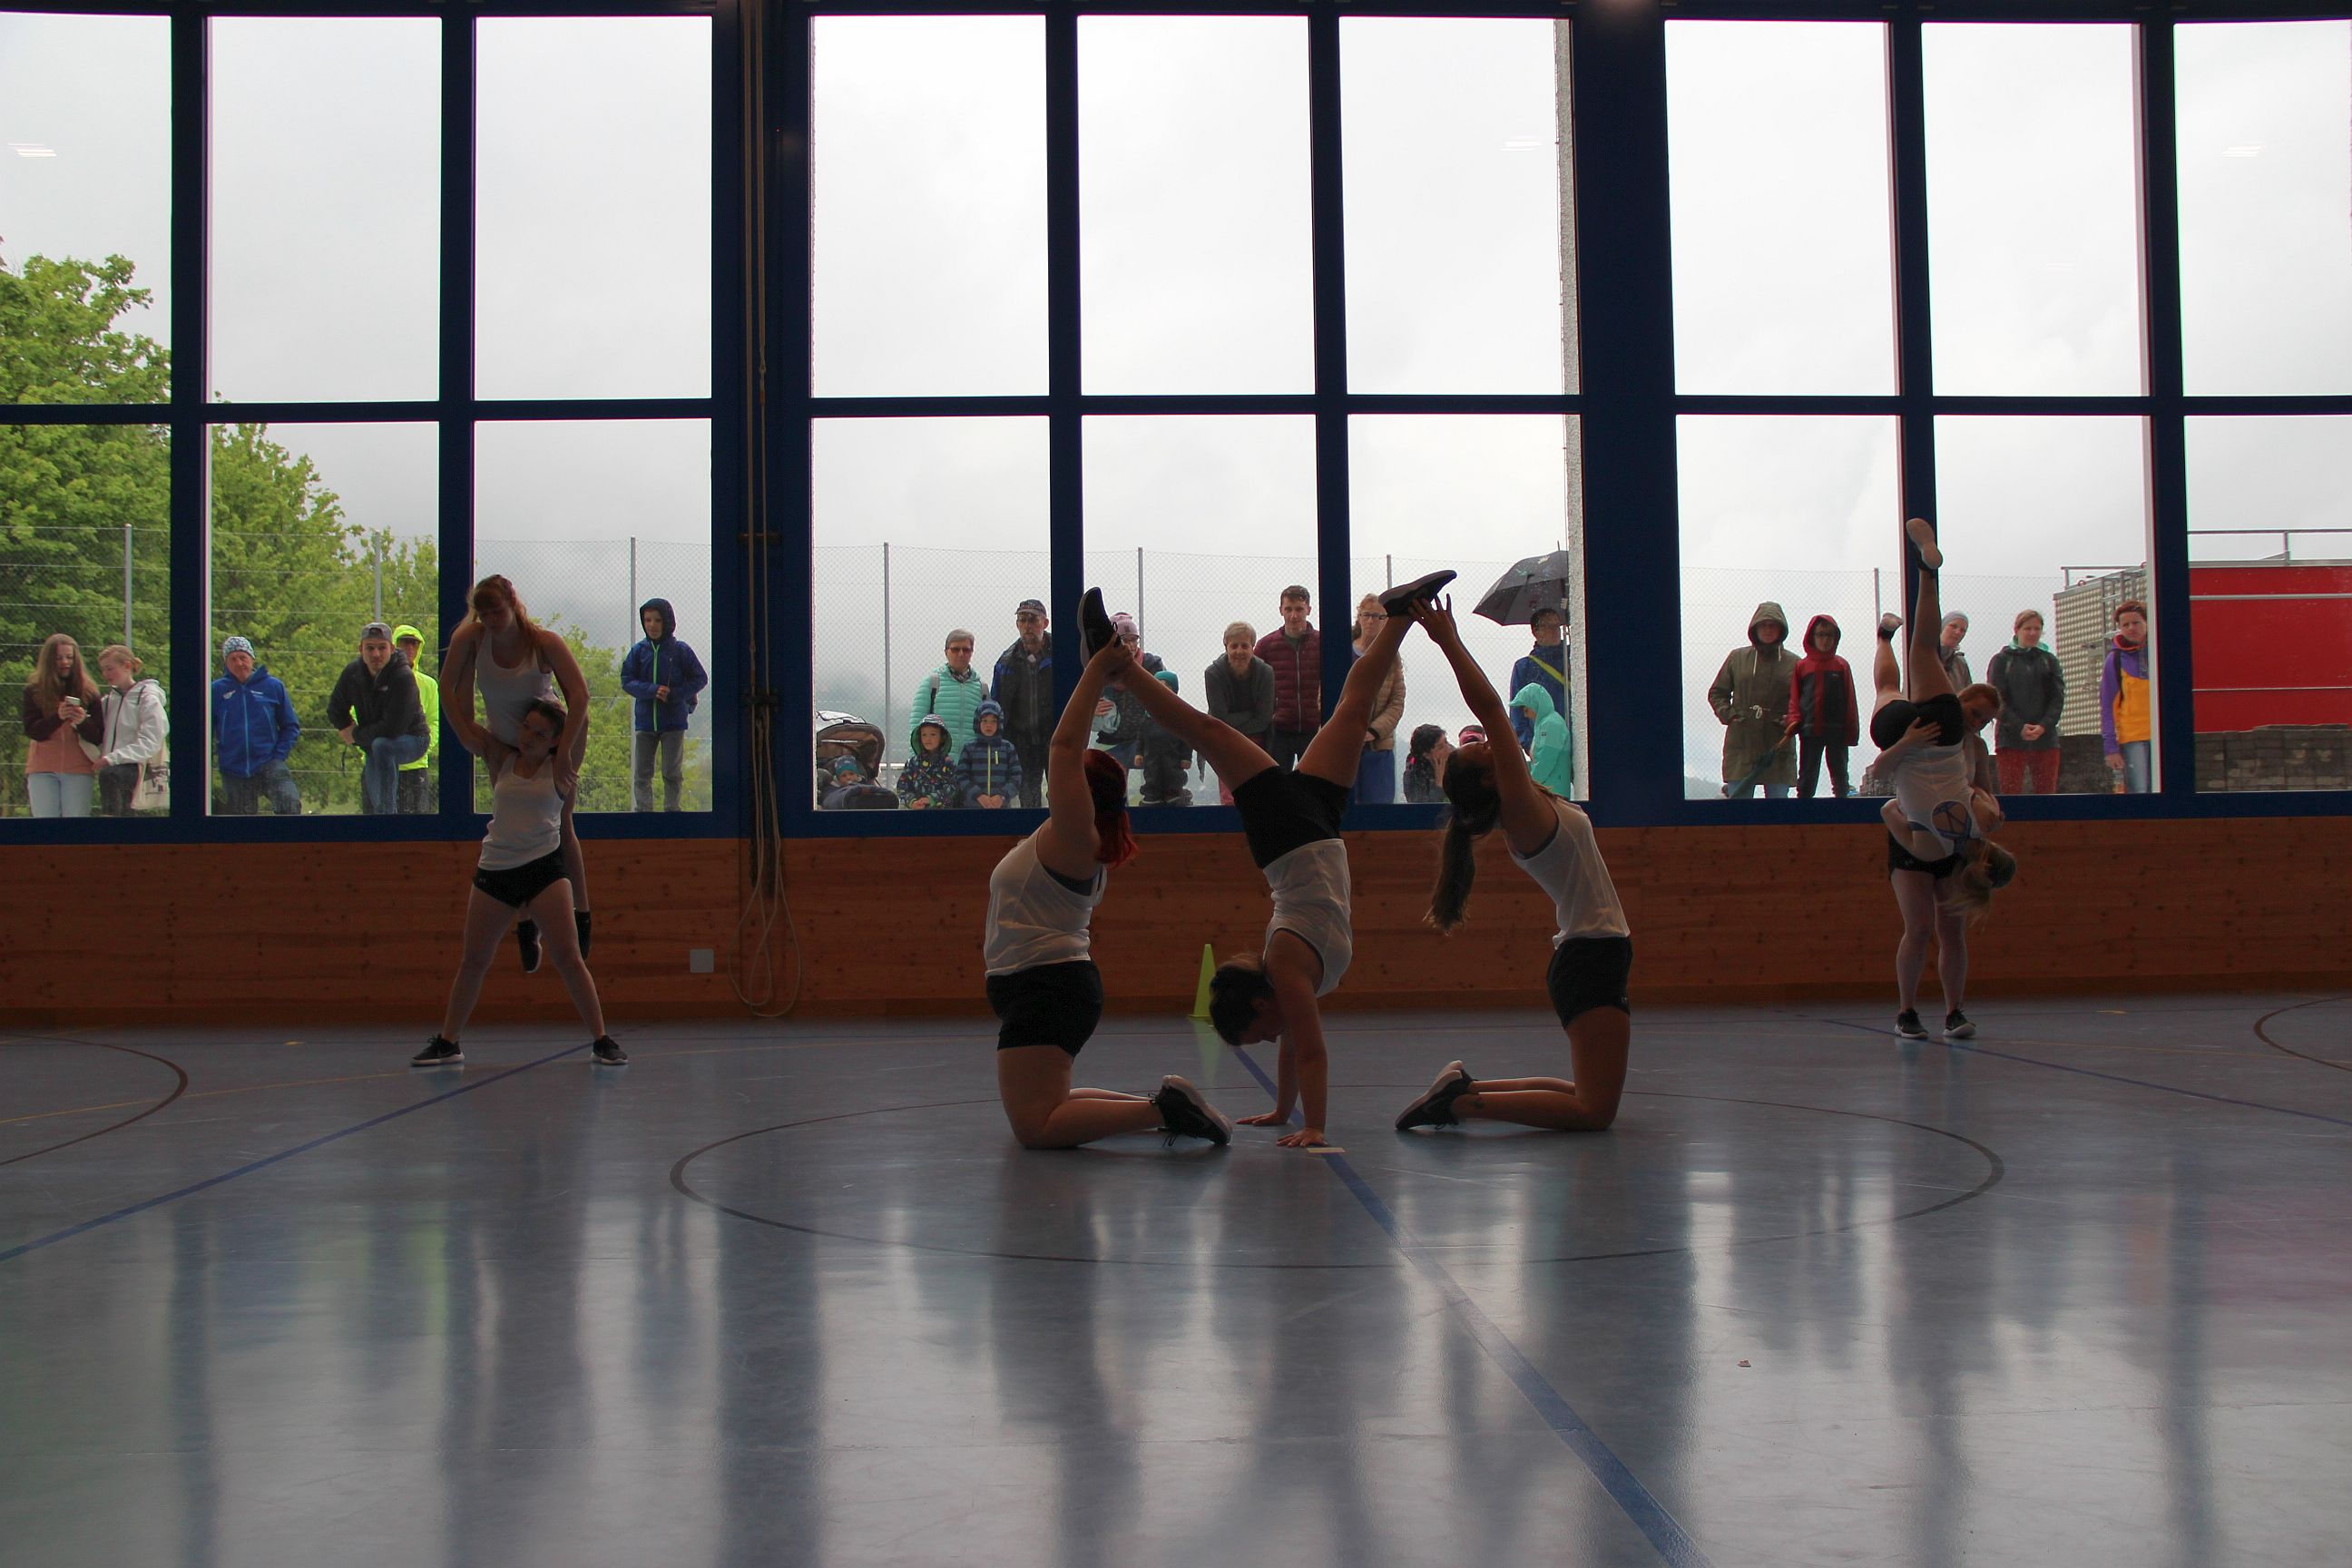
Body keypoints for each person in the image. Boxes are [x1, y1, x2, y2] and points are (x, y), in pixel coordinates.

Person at [1112, 571, 1451, 1150]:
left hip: (1288, 834)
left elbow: (1309, 1050)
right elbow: (1297, 1046)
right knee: (1353, 709)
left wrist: (1314, 1125)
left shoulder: (1287, 964)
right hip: (1318, 828)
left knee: (1207, 731)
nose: (1272, 1041)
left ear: (1262, 1002)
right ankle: (1399, 617)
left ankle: (1123, 669)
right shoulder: (1288, 988)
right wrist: (1283, 1111)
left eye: (1259, 1035)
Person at [1392, 595, 1632, 1134]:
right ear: (1488, 779)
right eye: (1481, 753)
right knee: (1593, 1112)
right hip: (1592, 957)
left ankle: (1463, 1091)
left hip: (1594, 953)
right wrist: (1448, 642)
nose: (1488, 745)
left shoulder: (1527, 806)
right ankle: (1459, 1106)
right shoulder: (1521, 811)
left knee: (1584, 1095)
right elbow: (1492, 711)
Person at [985, 634, 1231, 1150]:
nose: (1057, 781)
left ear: (1081, 794)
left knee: (1036, 1127)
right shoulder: (1073, 839)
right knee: (1049, 1104)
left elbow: (1063, 747)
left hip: (1046, 989)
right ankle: (1166, 1108)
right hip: (1046, 986)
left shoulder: (1076, 837)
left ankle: (1162, 1111)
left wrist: (1096, 670)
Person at [409, 695, 625, 1070]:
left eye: (540, 734)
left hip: (544, 870)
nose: (529, 737)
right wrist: (459, 679)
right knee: (474, 959)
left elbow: (583, 714)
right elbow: (466, 726)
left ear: (555, 741)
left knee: (569, 958)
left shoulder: (561, 768)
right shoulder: (502, 759)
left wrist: (553, 686)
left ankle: (602, 1040)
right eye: (526, 727)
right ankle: (448, 1042)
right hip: (496, 869)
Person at [1867, 518, 2016, 1043]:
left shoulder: (1984, 821)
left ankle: (1927, 577)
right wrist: (1902, 755)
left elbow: (1981, 798)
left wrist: (1912, 753)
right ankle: (1922, 1011)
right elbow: (1889, 806)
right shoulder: (1954, 834)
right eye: (1979, 714)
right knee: (1889, 687)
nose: (1983, 723)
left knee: (1922, 652)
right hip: (1914, 756)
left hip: (1932, 737)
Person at [442, 575, 593, 973]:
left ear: (513, 603)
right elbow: (447, 686)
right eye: (484, 614)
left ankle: (581, 912)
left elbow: (580, 696)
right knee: (513, 830)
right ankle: (526, 921)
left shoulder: (542, 642)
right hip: (506, 745)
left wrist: (564, 753)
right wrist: (465, 732)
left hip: (548, 740)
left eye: (497, 612)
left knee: (561, 823)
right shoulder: (472, 638)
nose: (492, 621)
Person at [328, 621, 429, 816]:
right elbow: (335, 708)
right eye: (370, 648)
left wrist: (356, 735)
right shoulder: (353, 673)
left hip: (414, 738)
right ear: (361, 649)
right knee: (375, 748)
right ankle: (379, 816)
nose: (376, 654)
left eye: (382, 648)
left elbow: (393, 728)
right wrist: (346, 728)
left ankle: (387, 816)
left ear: (391, 648)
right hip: (375, 740)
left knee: (381, 745)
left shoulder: (402, 676)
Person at [620, 597, 709, 813]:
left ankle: (672, 812)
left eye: (657, 620)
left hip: (673, 723)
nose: (652, 625)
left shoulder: (681, 651)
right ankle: (644, 813)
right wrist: (652, 690)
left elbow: (700, 678)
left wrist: (675, 694)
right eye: (647, 620)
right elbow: (627, 681)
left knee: (672, 772)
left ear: (667, 622)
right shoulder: (638, 651)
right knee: (642, 774)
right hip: (645, 723)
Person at [1708, 603, 1799, 798]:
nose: (1768, 629)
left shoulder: (1794, 663)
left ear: (1781, 629)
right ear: (1755, 628)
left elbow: (1803, 702)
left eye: (1773, 625)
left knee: (1778, 810)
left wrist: (1790, 720)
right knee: (1739, 808)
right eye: (1763, 625)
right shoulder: (1737, 658)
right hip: (1742, 742)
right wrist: (1730, 716)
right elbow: (1717, 692)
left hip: (1778, 744)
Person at [211, 635, 302, 815]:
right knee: (241, 821)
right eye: (233, 659)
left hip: (268, 761)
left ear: (252, 659)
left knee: (289, 803)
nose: (239, 663)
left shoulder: (273, 686)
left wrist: (279, 755)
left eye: (243, 657)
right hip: (233, 767)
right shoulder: (216, 690)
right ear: (226, 663)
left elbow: (290, 726)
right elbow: (206, 729)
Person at [22, 632, 104, 818]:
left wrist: (82, 722)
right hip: (42, 769)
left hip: (79, 769)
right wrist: (58, 717)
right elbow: (33, 731)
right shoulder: (33, 690)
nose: (65, 662)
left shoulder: (89, 691)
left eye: (69, 657)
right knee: (45, 823)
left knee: (75, 823)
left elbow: (98, 736)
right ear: (49, 660)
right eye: (58, 658)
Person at [1986, 610, 2065, 797]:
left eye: (2037, 629)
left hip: (2045, 738)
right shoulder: (2002, 660)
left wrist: (2044, 726)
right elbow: (1996, 699)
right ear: (2017, 630)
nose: (2032, 633)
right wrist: (2018, 726)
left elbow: (2057, 698)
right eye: (2028, 629)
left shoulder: (2049, 661)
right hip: (2010, 738)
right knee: (2011, 792)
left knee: (2046, 793)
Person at [1784, 614, 1859, 799]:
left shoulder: (1841, 665)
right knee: (1807, 776)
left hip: (1837, 730)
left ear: (1836, 637)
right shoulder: (1802, 666)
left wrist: (1852, 731)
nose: (1825, 640)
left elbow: (1850, 700)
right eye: (1820, 635)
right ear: (1812, 636)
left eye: (1829, 635)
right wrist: (1794, 720)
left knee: (1840, 775)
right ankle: (1803, 811)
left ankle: (1842, 810)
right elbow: (1795, 697)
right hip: (1810, 729)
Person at [89, 644, 170, 816]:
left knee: (110, 778)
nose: (105, 674)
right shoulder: (108, 701)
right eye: (103, 670)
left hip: (138, 765)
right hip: (114, 764)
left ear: (127, 666)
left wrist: (112, 758)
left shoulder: (147, 697)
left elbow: (152, 739)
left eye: (110, 669)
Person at [989, 599, 1054, 808]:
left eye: (1033, 620)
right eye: (1022, 620)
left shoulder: (1063, 654)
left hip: (1056, 739)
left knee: (1061, 795)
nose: (1027, 625)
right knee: (1028, 799)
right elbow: (996, 705)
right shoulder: (1006, 662)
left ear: (1045, 623)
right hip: (1022, 744)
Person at [1202, 621, 1274, 805]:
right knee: (1230, 799)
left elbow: (1264, 719)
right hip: (1225, 739)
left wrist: (1233, 720)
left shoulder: (1266, 673)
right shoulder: (1213, 673)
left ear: (1253, 647)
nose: (1239, 651)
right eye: (1234, 646)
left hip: (1257, 741)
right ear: (1226, 646)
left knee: (1259, 796)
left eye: (1245, 646)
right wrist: (1250, 714)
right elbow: (1220, 719)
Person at [1254, 585, 1322, 770]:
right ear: (1281, 610)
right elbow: (1254, 685)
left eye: (1299, 609)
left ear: (1309, 610)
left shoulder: (1322, 643)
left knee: (1314, 782)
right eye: (1288, 609)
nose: (1293, 616)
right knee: (1278, 784)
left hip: (1314, 729)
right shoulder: (1266, 646)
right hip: (1279, 731)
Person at [1348, 594, 1406, 804]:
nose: (1371, 621)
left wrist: (1373, 731)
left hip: (1378, 746)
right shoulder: (1342, 651)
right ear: (1359, 618)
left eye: (1378, 616)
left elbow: (1397, 702)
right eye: (1366, 615)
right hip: (1344, 742)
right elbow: (1324, 694)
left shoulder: (1392, 656)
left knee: (1378, 807)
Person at [1091, 612, 1165, 775]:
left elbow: (1167, 699)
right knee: (1108, 782)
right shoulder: (1099, 667)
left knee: (1161, 764)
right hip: (1110, 741)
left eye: (1134, 640)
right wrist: (1090, 710)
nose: (1130, 646)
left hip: (1144, 739)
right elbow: (1081, 701)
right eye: (1124, 640)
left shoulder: (1152, 665)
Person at [907, 628, 989, 759]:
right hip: (937, 765)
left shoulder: (982, 689)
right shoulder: (932, 683)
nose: (961, 654)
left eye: (966, 650)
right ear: (946, 652)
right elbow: (916, 726)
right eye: (955, 649)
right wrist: (916, 762)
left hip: (971, 765)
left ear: (972, 652)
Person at [2101, 599, 2152, 794]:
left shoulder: (2159, 653)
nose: (2131, 628)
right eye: (2125, 625)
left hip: (2162, 735)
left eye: (2136, 623)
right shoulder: (2114, 660)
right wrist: (2111, 748)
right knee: (2139, 791)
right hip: (2133, 738)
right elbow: (2107, 707)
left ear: (2147, 623)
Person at [1507, 606, 1569, 753]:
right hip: (1544, 743)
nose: (1554, 630)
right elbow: (1517, 711)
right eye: (1548, 626)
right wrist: (1530, 746)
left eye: (1557, 625)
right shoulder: (1524, 667)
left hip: (1578, 737)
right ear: (1535, 631)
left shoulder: (1574, 657)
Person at [392, 625, 437, 814]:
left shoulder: (428, 685)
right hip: (381, 766)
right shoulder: (375, 680)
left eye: (415, 644)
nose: (410, 649)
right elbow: (359, 717)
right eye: (404, 643)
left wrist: (422, 748)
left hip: (416, 768)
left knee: (418, 826)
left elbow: (435, 721)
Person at [1134, 670, 1193, 807]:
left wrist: (1186, 757)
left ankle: (1173, 793)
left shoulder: (1179, 715)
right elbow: (1141, 735)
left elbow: (1187, 738)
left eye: (1167, 686)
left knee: (1173, 774)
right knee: (1152, 773)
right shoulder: (1147, 714)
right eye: (1158, 685)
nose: (1162, 689)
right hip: (1151, 755)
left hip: (1172, 755)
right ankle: (1152, 794)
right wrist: (1139, 753)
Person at [958, 700, 1024, 809]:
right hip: (973, 807)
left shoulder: (1008, 748)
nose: (989, 725)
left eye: (993, 721)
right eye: (984, 720)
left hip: (1001, 808)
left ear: (999, 723)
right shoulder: (969, 748)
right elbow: (961, 776)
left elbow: (1016, 776)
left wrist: (1002, 796)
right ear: (978, 722)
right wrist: (978, 795)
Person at [897, 715, 965, 809]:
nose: (928, 739)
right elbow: (902, 787)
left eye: (933, 734)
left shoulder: (948, 763)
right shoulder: (913, 763)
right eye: (924, 735)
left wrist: (931, 799)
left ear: (942, 738)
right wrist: (912, 802)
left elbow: (954, 787)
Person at [1401, 723, 1451, 804]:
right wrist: (1439, 783)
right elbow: (1421, 807)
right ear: (1426, 755)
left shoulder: (1456, 760)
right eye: (1440, 747)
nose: (1448, 749)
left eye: (1446, 742)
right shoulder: (1414, 774)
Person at [1938, 612, 1973, 688]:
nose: (1958, 632)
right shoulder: (1927, 655)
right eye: (1953, 626)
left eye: (1962, 630)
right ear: (1942, 627)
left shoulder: (1960, 663)